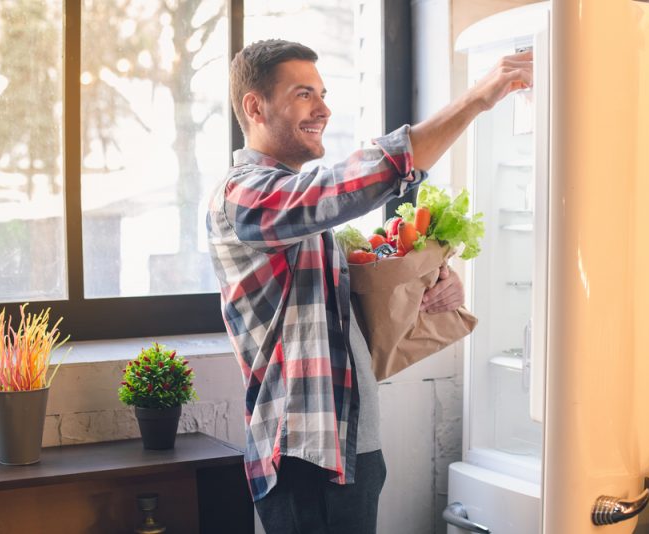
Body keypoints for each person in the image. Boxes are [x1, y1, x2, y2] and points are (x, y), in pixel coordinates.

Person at [206, 39, 532, 534]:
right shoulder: (246, 194)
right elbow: (343, 187)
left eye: (322, 93)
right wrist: (476, 98)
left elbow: (335, 324)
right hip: (304, 453)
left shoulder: (294, 213)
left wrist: (427, 292)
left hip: (347, 445)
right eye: (303, 95)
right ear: (255, 106)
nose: (323, 109)